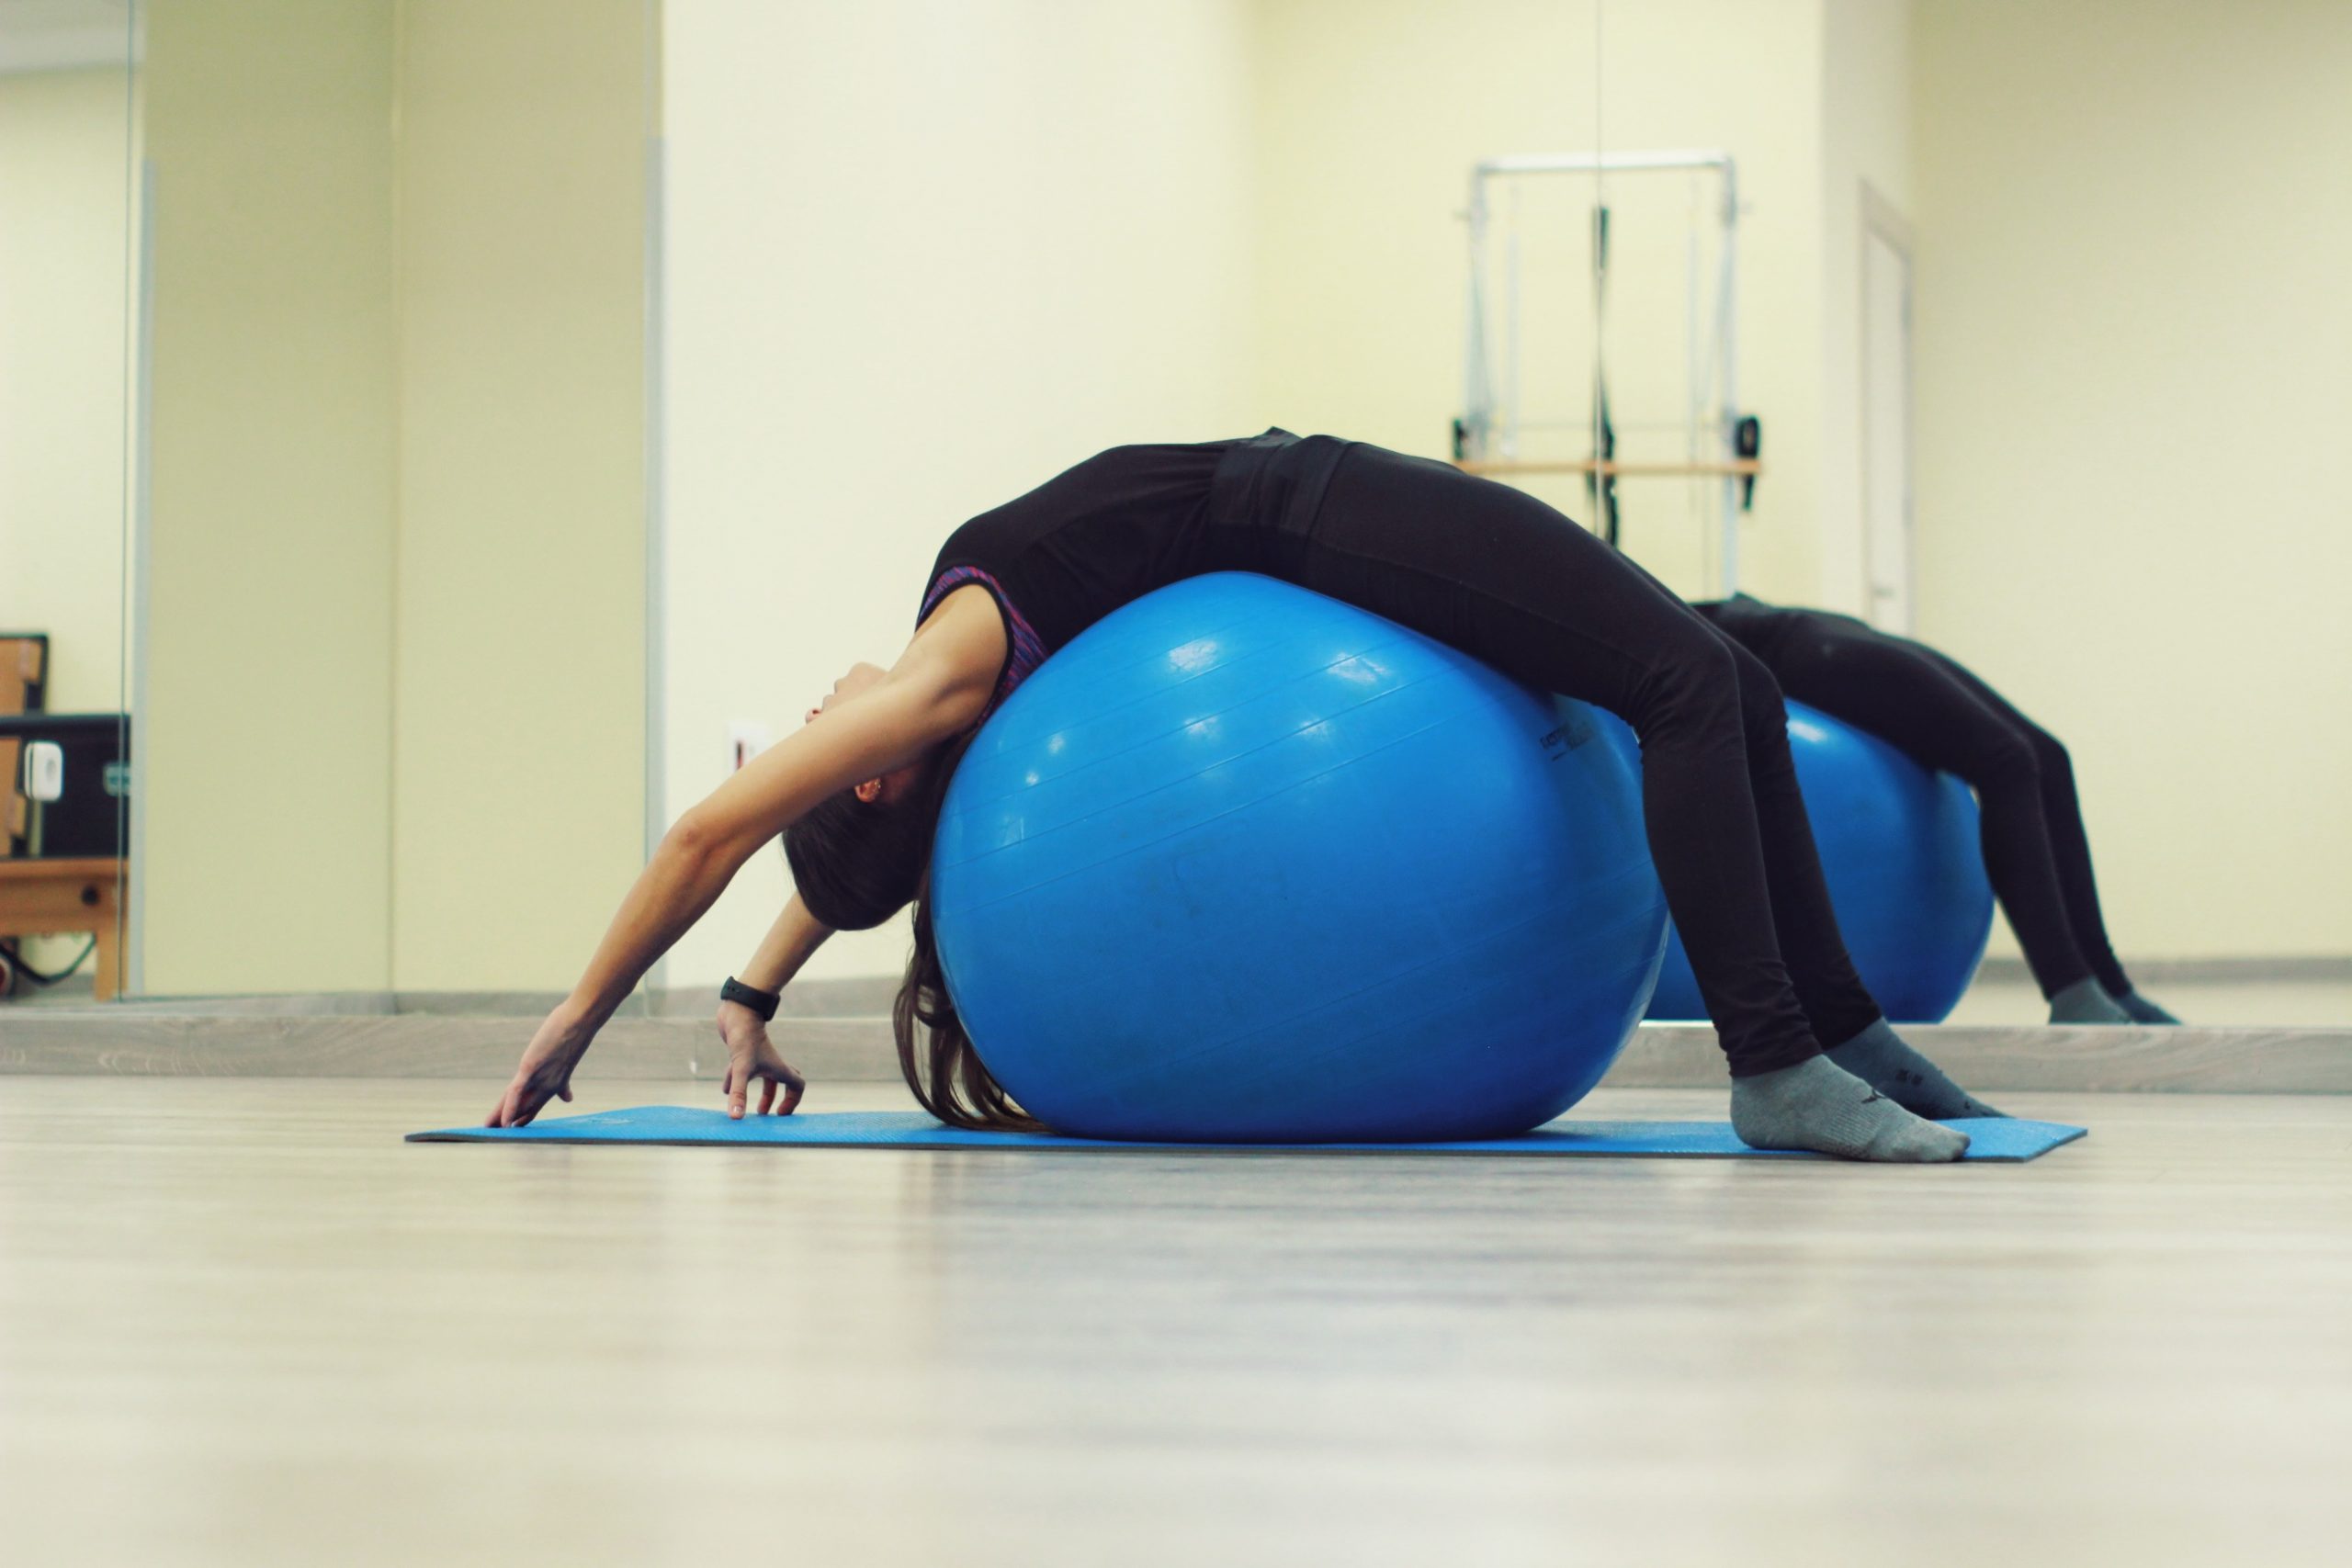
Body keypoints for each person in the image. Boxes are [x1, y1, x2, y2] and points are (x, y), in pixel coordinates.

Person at [491, 430, 2003, 1160]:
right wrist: (575, 1021)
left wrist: (754, 986)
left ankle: (1839, 1023)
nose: (818, 715)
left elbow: (840, 871)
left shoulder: (926, 740)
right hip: (1307, 514)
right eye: (833, 741)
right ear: (876, 771)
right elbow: (719, 830)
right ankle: (1775, 1062)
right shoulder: (929, 695)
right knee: (1680, 681)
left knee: (1724, 682)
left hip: (1297, 528)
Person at [1690, 593, 2178, 1026]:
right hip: (1780, 647)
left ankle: (2112, 986)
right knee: (2006, 760)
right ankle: (2072, 990)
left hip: (1793, 628)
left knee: (2047, 756)